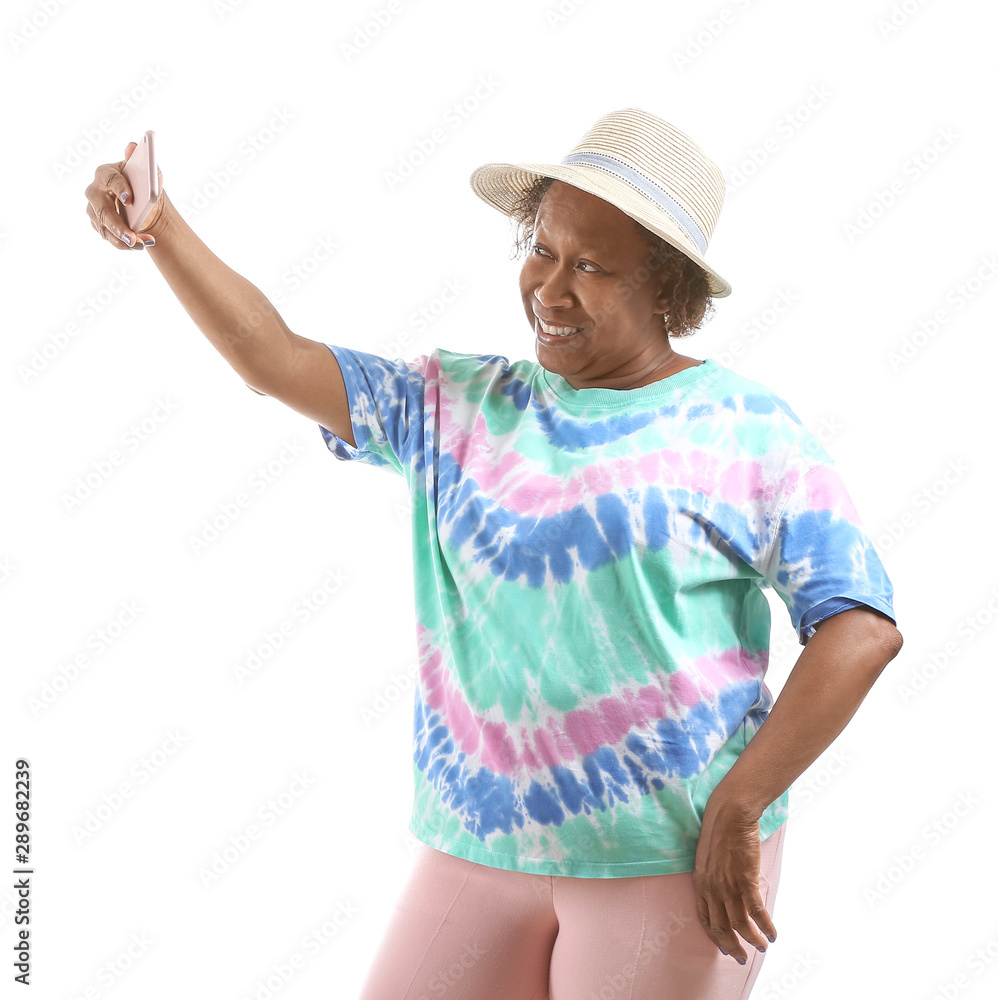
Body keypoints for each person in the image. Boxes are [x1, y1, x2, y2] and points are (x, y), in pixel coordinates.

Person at [85, 108, 903, 1000]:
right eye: (542, 249)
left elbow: (859, 627)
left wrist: (742, 805)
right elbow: (271, 358)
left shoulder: (744, 429)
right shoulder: (456, 403)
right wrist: (159, 227)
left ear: (668, 289)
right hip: (476, 839)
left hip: (670, 855)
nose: (550, 288)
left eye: (591, 266)